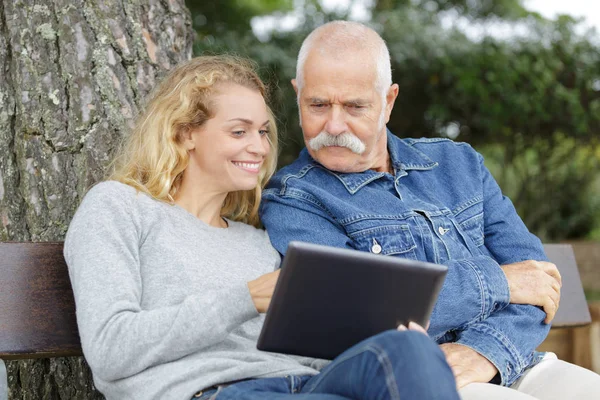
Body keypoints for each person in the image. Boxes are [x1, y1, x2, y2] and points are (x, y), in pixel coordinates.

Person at [64, 55, 460, 400]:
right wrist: (245, 298)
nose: (259, 147)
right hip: (212, 391)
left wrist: (376, 325)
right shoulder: (119, 207)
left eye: (262, 131)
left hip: (305, 385)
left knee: (410, 349)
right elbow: (110, 348)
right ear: (184, 133)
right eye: (239, 131)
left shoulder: (257, 240)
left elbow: (300, 352)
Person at [259, 21, 600, 400]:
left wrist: (484, 351)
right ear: (298, 94)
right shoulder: (293, 198)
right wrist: (500, 283)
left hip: (511, 359)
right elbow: (359, 316)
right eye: (318, 105)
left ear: (388, 101)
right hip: (413, 380)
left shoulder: (458, 163)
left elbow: (539, 282)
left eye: (355, 106)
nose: (334, 125)